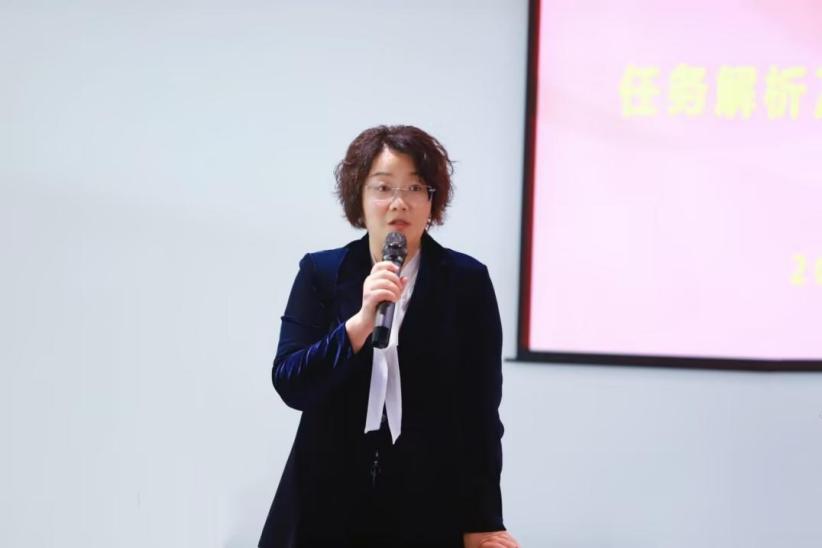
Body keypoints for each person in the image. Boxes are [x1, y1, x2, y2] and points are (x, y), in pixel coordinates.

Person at [258, 125, 518, 548]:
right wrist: (358, 325)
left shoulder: (466, 282)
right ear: (359, 199)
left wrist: (484, 519)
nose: (400, 202)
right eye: (383, 187)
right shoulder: (321, 274)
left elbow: (480, 415)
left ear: (432, 201)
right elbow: (291, 384)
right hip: (323, 503)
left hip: (427, 504)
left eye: (415, 187)